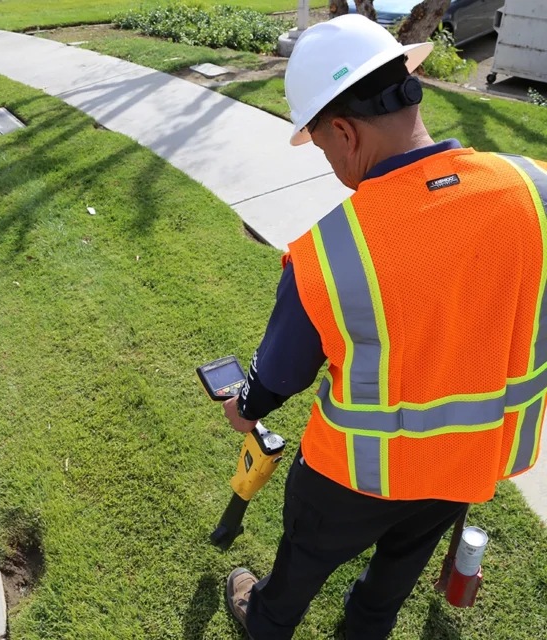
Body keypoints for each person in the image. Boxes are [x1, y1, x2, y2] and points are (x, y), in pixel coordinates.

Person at [221, 13, 547, 640]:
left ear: (343, 131)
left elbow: (279, 375)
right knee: (392, 581)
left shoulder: (329, 254)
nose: (328, 161)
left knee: (301, 565)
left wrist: (248, 405)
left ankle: (265, 620)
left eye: (321, 147)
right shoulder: (532, 190)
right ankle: (366, 626)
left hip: (348, 480)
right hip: (462, 465)